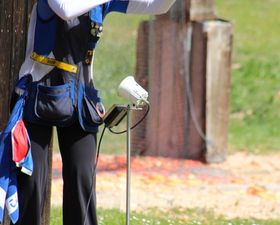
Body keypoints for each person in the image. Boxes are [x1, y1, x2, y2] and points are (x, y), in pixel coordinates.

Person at [10, 0, 176, 225]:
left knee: (83, 184)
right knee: (31, 187)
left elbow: (158, 6)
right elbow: (65, 9)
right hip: (36, 96)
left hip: (82, 101)